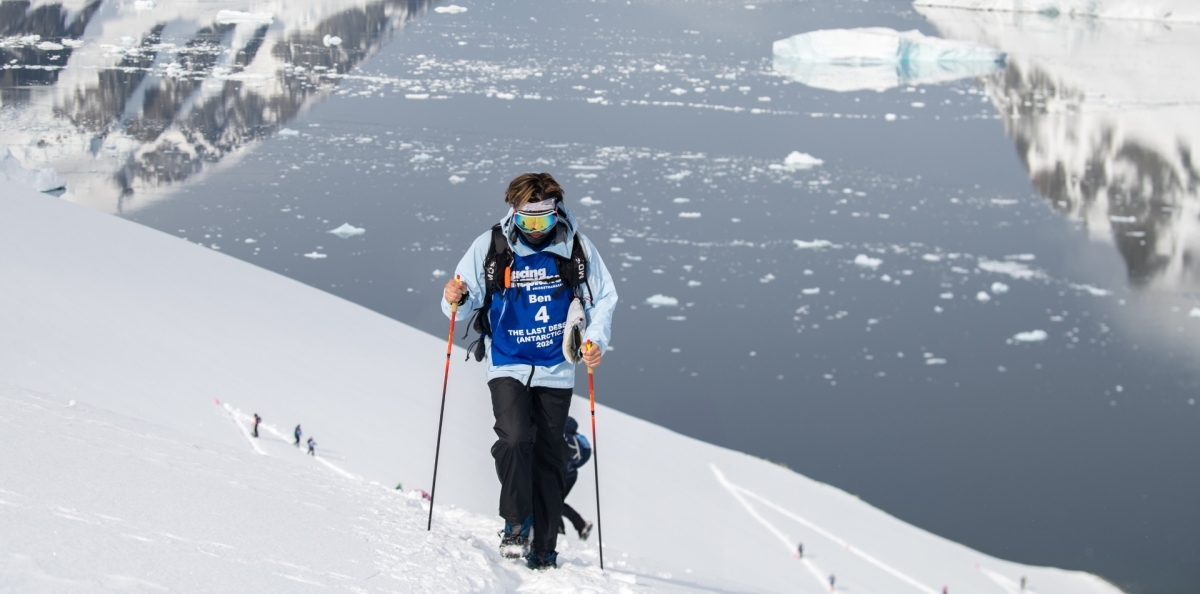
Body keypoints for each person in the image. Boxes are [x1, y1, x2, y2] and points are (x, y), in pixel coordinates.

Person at [442, 172, 617, 571]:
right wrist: (456, 296)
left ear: (557, 213)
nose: (536, 230)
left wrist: (595, 340)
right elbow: (462, 299)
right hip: (508, 360)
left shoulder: (576, 247)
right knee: (514, 437)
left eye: (544, 220)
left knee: (549, 458)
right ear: (513, 213)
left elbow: (604, 297)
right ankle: (516, 523)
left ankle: (545, 549)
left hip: (556, 367)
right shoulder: (491, 245)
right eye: (527, 221)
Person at [560, 416, 593, 540]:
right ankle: (580, 525)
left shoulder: (563, 435)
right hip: (572, 475)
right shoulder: (575, 438)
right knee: (555, 502)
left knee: (552, 502)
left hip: (562, 475)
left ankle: (560, 531)